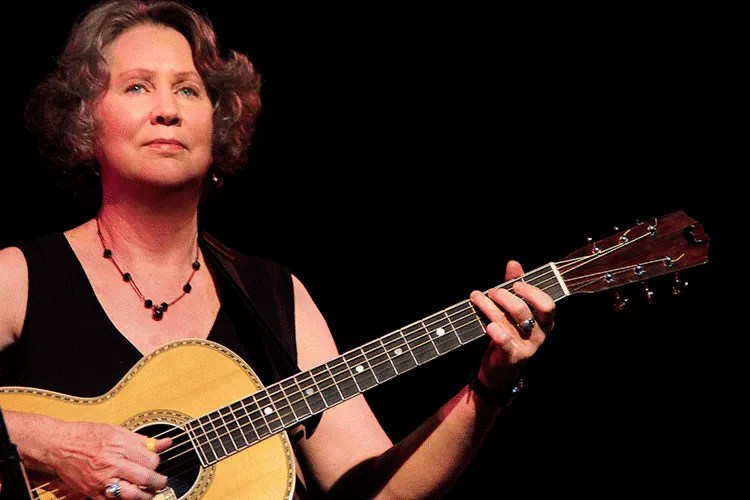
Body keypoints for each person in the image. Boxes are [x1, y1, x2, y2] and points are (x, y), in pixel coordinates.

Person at [0, 0, 555, 498]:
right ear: (85, 122)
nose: (167, 109)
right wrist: (49, 442)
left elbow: (375, 490)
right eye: (137, 86)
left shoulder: (272, 296)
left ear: (217, 129)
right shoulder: (22, 277)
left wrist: (489, 386)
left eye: (189, 89)